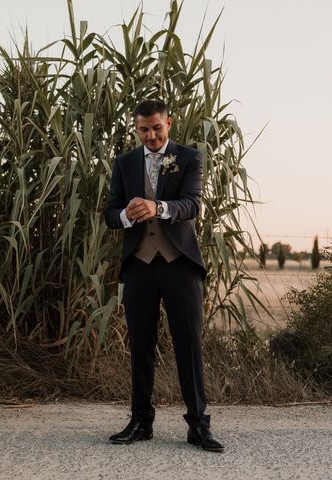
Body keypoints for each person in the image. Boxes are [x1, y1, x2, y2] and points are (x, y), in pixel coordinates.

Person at [103, 99, 224, 452]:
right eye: (144, 129)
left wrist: (159, 207)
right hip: (139, 265)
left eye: (157, 128)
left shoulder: (189, 158)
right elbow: (110, 213)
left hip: (180, 265)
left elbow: (193, 204)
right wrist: (126, 214)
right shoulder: (124, 163)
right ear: (136, 128)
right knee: (141, 345)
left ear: (168, 123)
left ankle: (198, 425)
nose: (152, 135)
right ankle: (141, 422)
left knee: (188, 344)